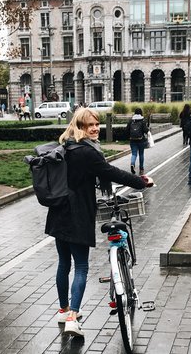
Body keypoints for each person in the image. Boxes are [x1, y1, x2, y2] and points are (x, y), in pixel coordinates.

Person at [46, 107, 153, 337]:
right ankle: (73, 318)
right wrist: (140, 181)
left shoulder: (67, 146)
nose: (94, 129)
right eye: (89, 125)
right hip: (77, 214)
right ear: (80, 127)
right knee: (81, 266)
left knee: (64, 264)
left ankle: (63, 310)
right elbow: (111, 172)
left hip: (58, 211)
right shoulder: (87, 152)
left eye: (96, 124)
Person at [126, 107, 149, 175]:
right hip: (141, 140)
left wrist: (129, 137)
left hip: (132, 140)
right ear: (141, 113)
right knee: (141, 154)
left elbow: (127, 130)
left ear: (135, 113)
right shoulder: (142, 121)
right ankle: (141, 169)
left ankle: (132, 164)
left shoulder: (131, 120)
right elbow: (146, 130)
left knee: (134, 154)